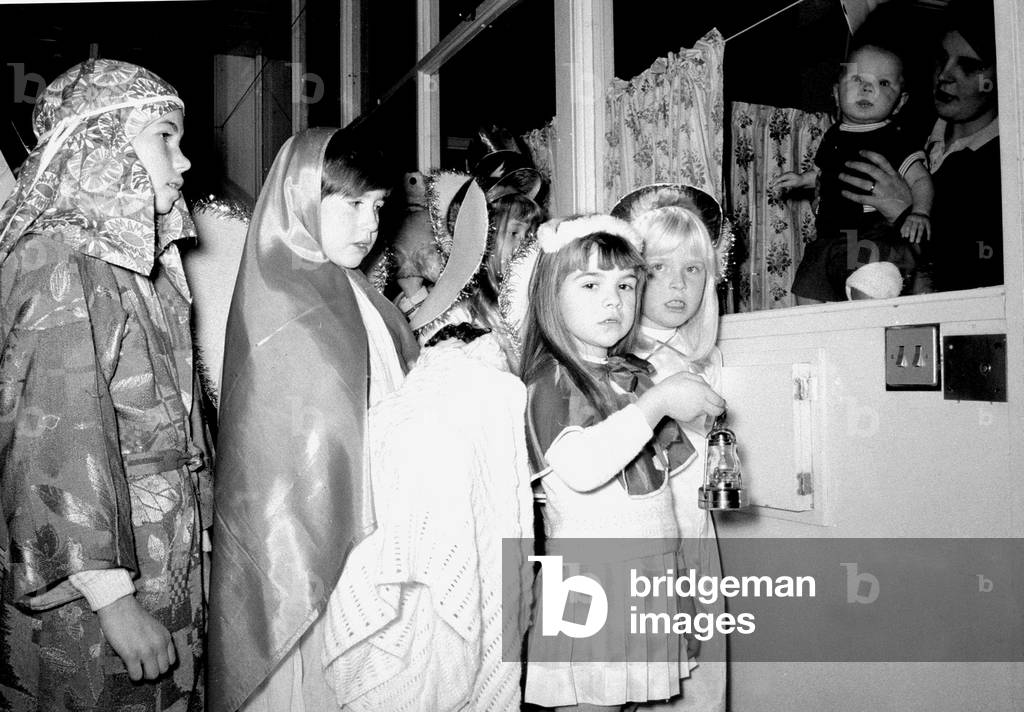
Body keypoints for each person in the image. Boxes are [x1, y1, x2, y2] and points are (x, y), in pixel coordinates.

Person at [0, 59, 210, 711]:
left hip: (155, 562)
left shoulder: (124, 273)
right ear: (103, 146)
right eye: (164, 137)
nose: (185, 161)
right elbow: (52, 441)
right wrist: (115, 603)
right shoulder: (61, 264)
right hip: (100, 600)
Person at [207, 127, 419, 712]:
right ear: (300, 196)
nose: (370, 224)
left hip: (374, 531)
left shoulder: (358, 295)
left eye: (377, 206)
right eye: (351, 204)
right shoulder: (285, 299)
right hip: (315, 552)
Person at [321, 174, 536, 711]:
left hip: (522, 482)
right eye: (515, 237)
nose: (525, 250)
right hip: (451, 486)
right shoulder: (454, 317)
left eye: (532, 238)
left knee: (523, 620)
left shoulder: (525, 310)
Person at [514, 215, 725, 711]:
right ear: (550, 294)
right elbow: (583, 468)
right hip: (594, 577)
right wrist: (657, 404)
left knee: (625, 704)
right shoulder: (553, 380)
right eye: (590, 284)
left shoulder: (629, 376)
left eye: (626, 284)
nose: (614, 300)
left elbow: (661, 486)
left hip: (648, 573)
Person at [611, 184, 730, 712]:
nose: (678, 285)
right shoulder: (626, 366)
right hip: (659, 550)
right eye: (658, 269)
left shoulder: (694, 355)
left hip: (696, 543)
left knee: (701, 687)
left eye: (693, 269)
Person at [837, 0, 1000, 293]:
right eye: (941, 59)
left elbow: (980, 274)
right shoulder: (901, 132)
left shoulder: (1004, 165)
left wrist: (905, 210)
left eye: (969, 66)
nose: (945, 75)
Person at [778, 43, 934, 303]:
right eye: (857, 79)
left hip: (870, 232)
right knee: (805, 292)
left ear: (900, 103)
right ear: (837, 94)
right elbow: (824, 171)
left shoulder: (895, 137)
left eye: (883, 83)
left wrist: (919, 212)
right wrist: (802, 179)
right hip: (828, 236)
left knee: (869, 284)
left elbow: (919, 178)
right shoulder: (833, 135)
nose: (867, 88)